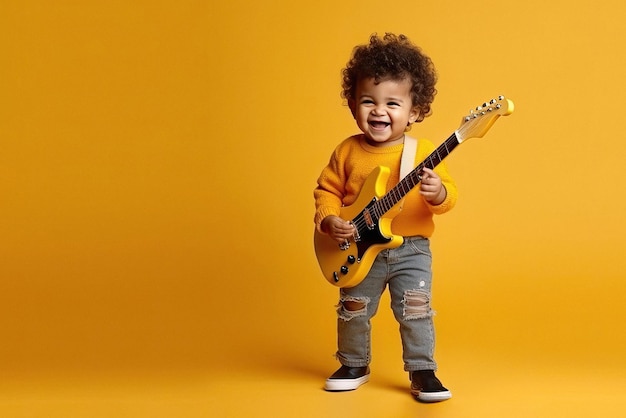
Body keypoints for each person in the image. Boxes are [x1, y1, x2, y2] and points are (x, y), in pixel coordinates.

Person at [313, 33, 457, 402]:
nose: (379, 111)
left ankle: (423, 371)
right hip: (357, 250)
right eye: (368, 101)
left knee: (415, 309)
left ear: (416, 110)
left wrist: (437, 192)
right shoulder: (347, 151)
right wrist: (330, 220)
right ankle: (353, 364)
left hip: (411, 250)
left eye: (393, 103)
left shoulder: (422, 152)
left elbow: (448, 197)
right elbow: (327, 190)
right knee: (353, 309)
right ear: (352, 104)